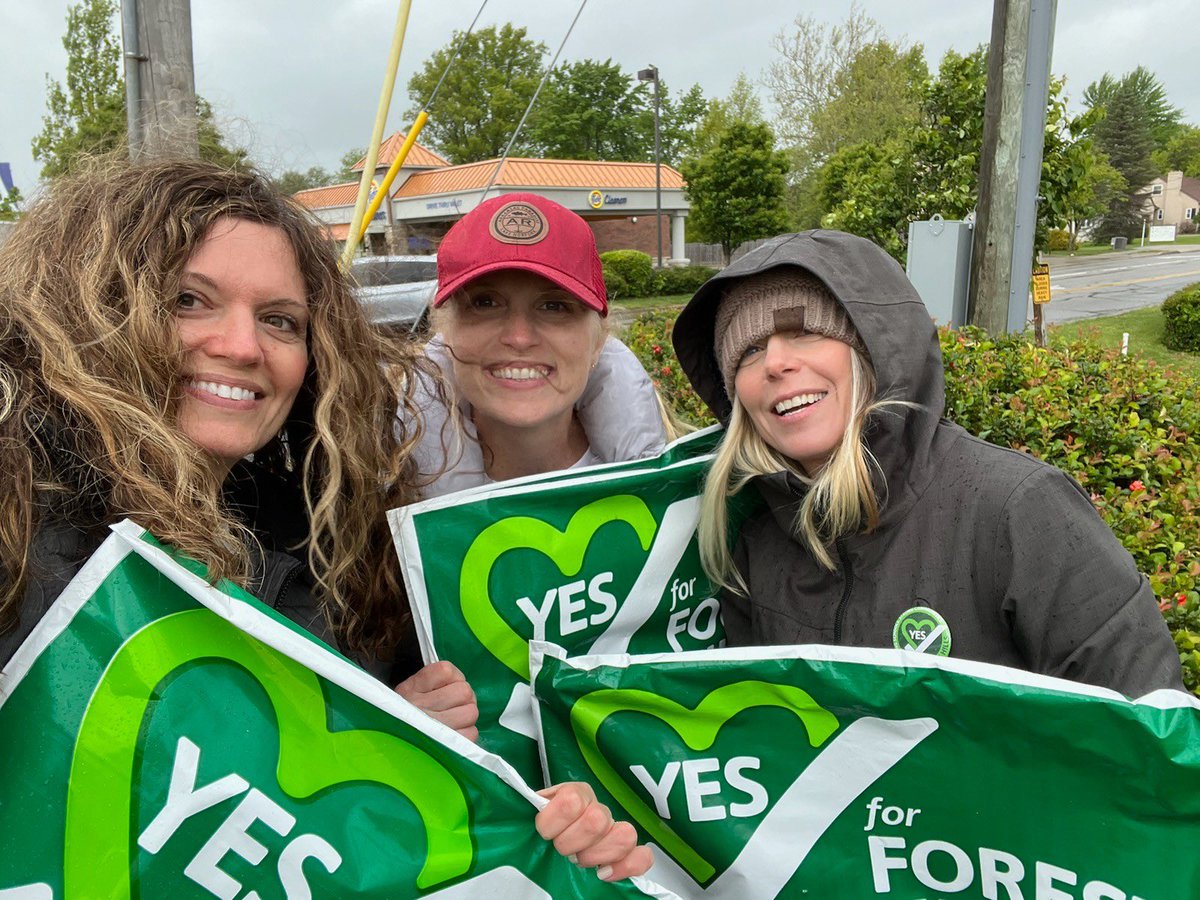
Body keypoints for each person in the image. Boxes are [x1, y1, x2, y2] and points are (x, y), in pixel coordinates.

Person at [0, 158, 651, 880]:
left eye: (279, 320)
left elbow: (359, 815)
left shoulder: (335, 542)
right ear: (91, 305)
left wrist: (402, 744)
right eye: (188, 301)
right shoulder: (18, 527)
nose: (241, 346)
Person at [671, 229, 1183, 697]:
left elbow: (1144, 729)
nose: (776, 363)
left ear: (873, 350)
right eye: (749, 351)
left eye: (804, 331)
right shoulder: (751, 534)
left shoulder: (1019, 509)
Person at [410, 192, 669, 496]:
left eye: (554, 306)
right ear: (445, 331)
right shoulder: (376, 498)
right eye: (485, 303)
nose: (519, 338)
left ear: (598, 340)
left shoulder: (691, 494)